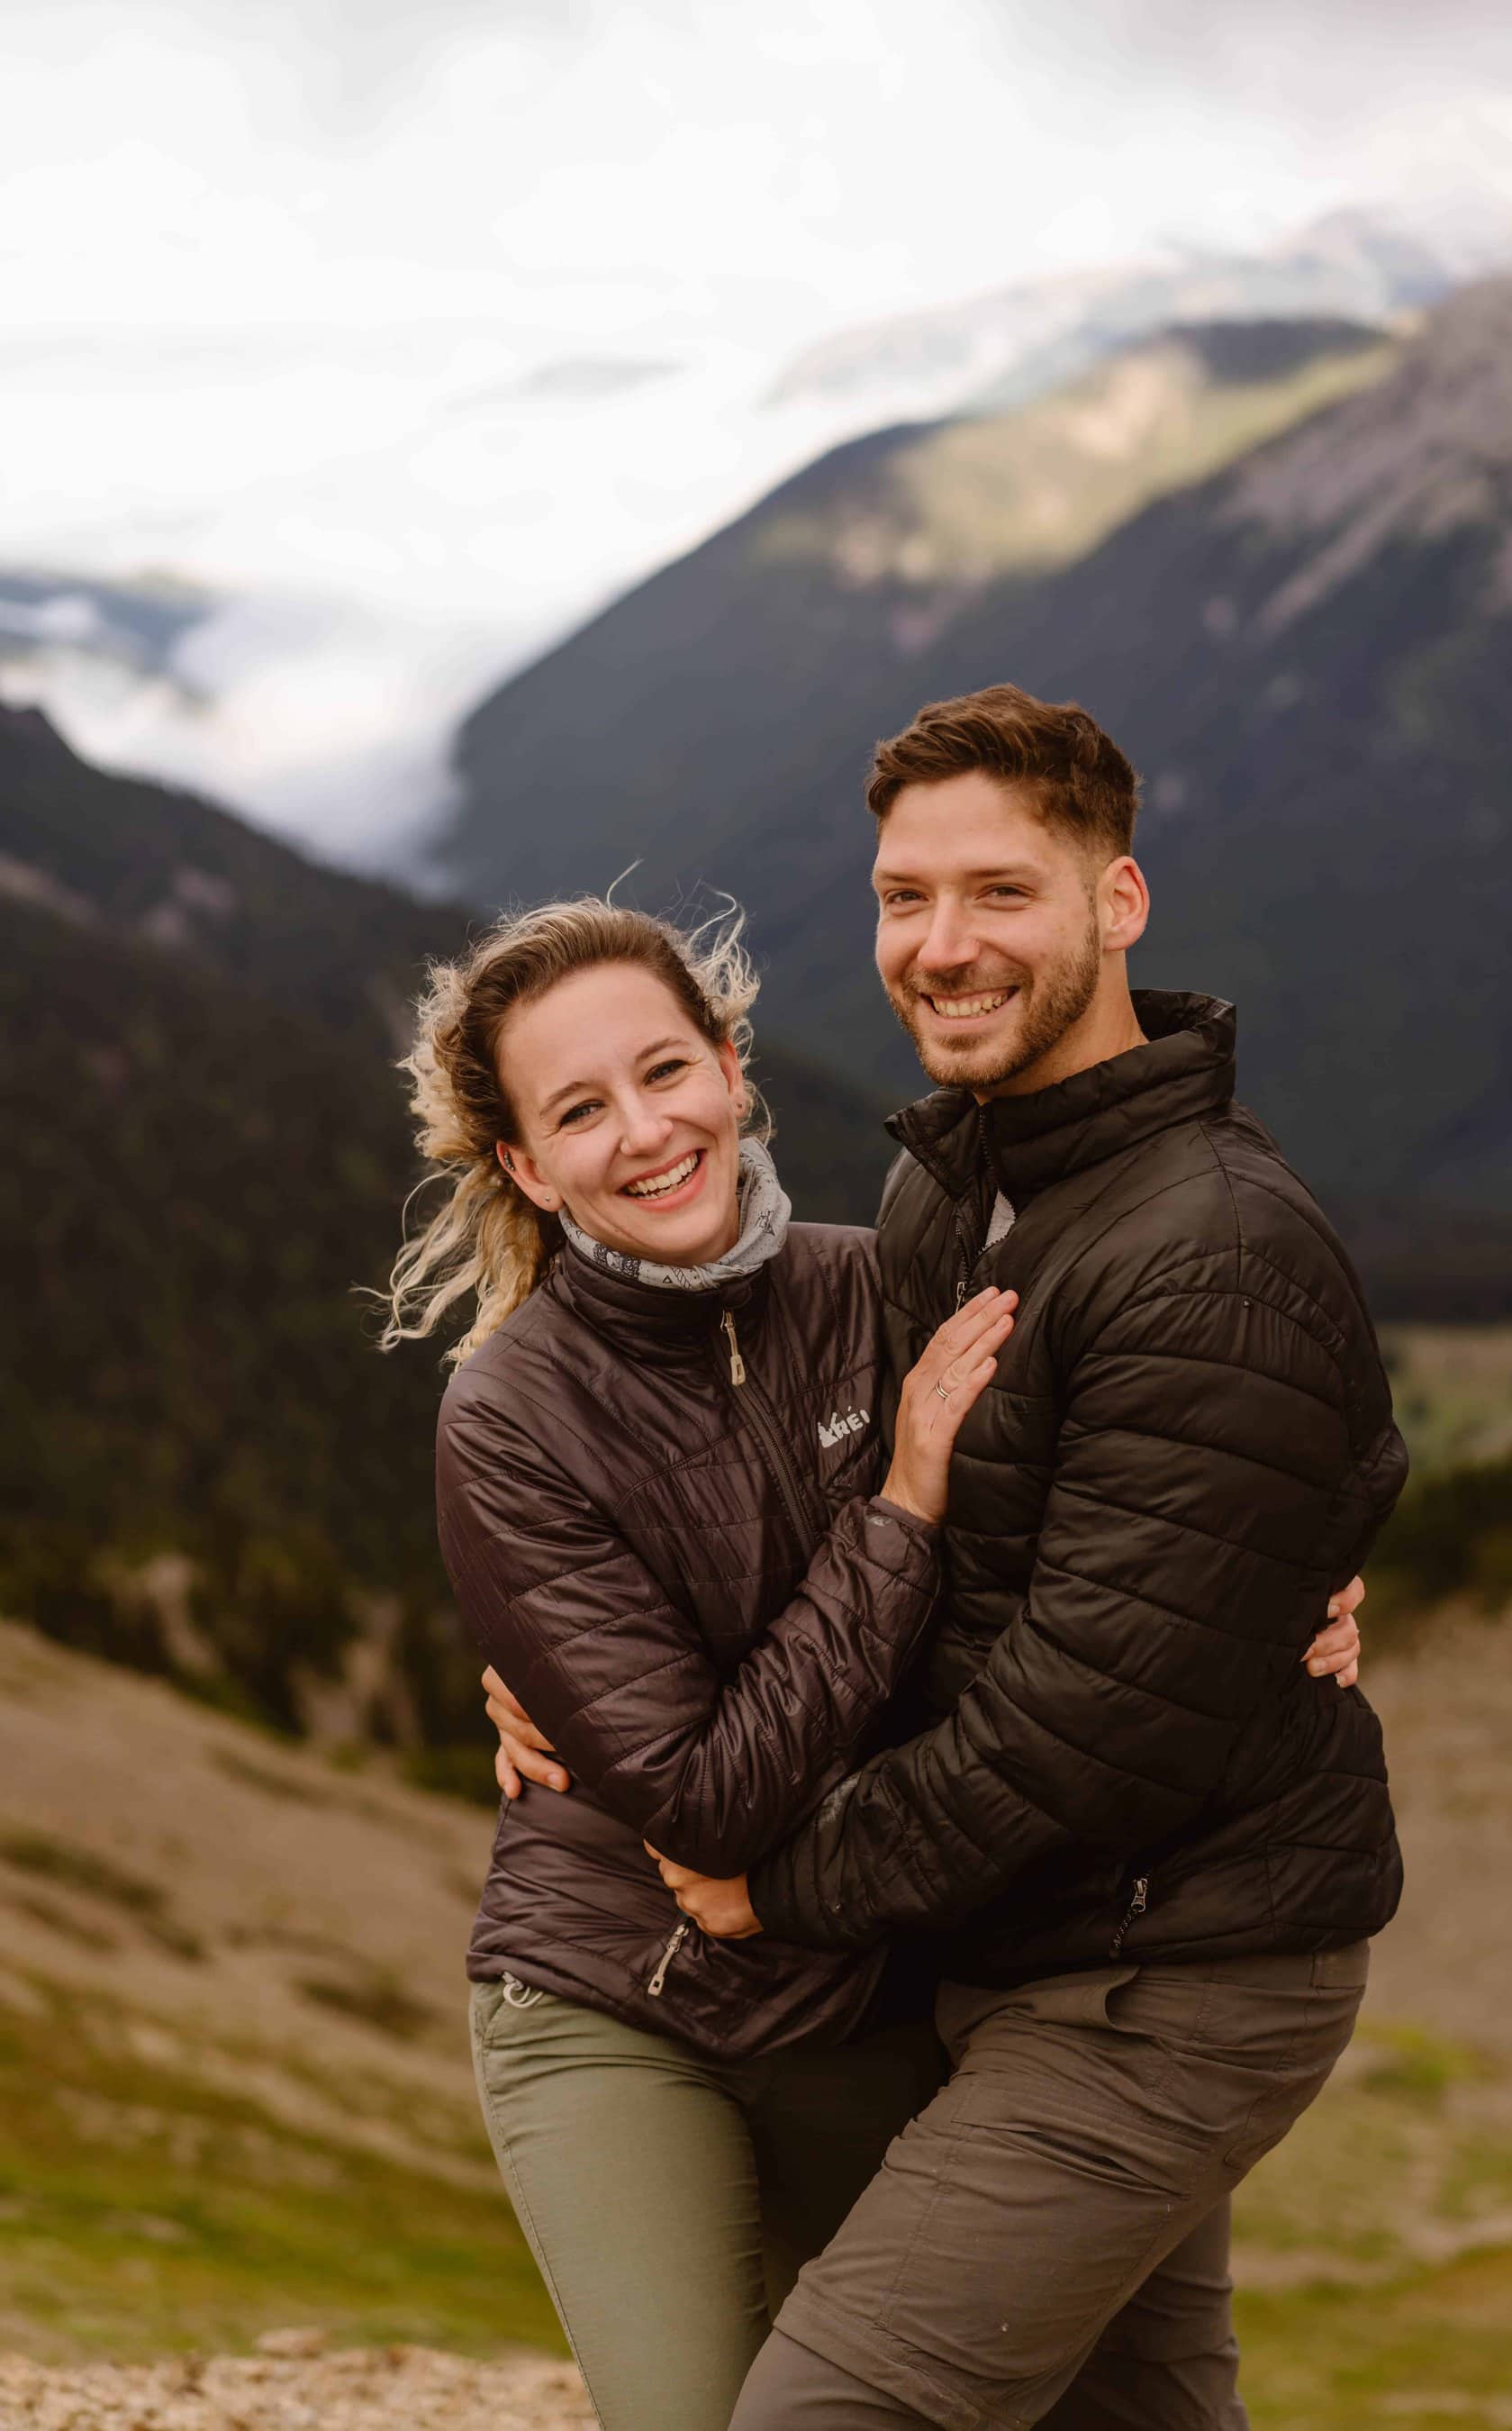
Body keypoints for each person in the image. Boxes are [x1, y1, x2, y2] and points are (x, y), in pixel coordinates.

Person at [385, 893, 1366, 2431]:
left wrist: (1287, 1588)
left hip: (874, 1985)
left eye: (665, 1071)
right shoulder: (511, 1413)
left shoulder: (885, 1286)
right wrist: (900, 1510)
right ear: (523, 1164)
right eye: (578, 1111)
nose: (644, 1133)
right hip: (621, 1995)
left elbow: (1182, 1445)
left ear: (731, 1064)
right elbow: (702, 1806)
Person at [635, 685, 1408, 2431]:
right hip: (1037, 1930)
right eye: (906, 897)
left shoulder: (1207, 1252)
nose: (941, 944)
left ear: (1117, 906)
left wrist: (784, 1882)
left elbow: (1084, 1724)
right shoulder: (956, 1193)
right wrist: (562, 1663)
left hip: (1167, 1967)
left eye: (1001, 892)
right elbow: (858, 1529)